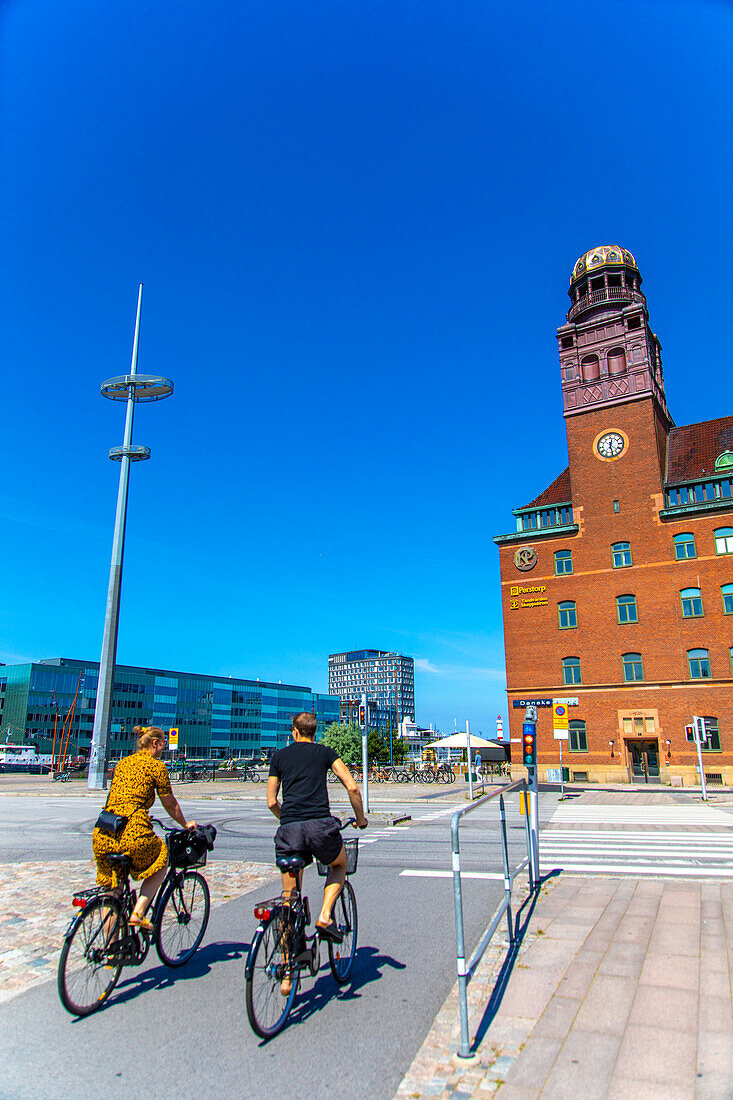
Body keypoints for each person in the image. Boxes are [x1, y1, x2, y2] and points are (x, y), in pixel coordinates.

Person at [267, 712, 367, 991]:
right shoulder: (326, 752)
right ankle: (325, 915)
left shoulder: (279, 757)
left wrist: (286, 819)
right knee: (339, 865)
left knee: (289, 900)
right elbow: (352, 786)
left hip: (290, 830)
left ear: (294, 732)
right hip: (320, 828)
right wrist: (360, 818)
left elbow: (272, 801)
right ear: (315, 732)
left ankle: (287, 975)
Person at [93, 725, 196, 930]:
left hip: (104, 830)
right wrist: (185, 824)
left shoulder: (123, 764)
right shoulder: (156, 766)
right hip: (132, 831)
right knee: (162, 857)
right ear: (155, 744)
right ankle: (139, 912)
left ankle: (111, 952)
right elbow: (170, 803)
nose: (164, 747)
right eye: (163, 743)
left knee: (112, 891)